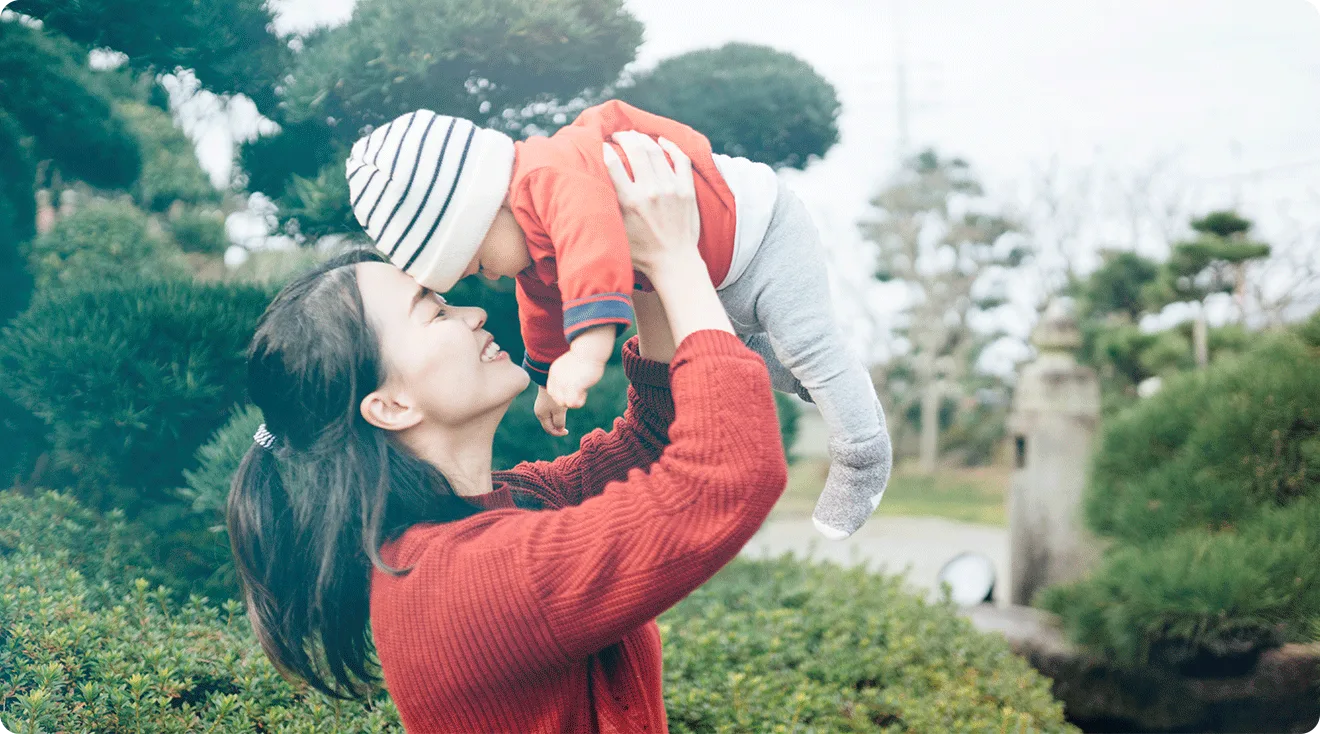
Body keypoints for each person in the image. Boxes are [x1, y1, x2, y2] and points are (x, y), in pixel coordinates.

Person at [227, 132, 788, 732]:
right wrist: (678, 261)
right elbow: (724, 477)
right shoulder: (455, 584)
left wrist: (636, 256)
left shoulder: (512, 505)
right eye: (435, 311)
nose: (474, 313)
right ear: (389, 405)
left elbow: (654, 439)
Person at [343, 100, 892, 539]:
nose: (484, 285)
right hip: (709, 267)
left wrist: (586, 352)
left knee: (809, 346)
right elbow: (542, 308)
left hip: (762, 231)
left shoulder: (552, 176)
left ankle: (862, 452)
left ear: (485, 209)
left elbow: (594, 250)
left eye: (477, 262)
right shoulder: (530, 247)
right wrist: (545, 377)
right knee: (762, 358)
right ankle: (824, 383)